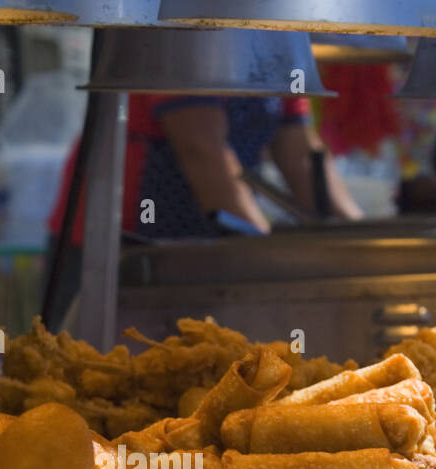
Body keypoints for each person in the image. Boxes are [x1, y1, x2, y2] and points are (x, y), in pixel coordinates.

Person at [43, 93, 362, 329]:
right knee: (91, 373)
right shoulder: (190, 21)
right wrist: (271, 260)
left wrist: (361, 245)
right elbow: (201, 148)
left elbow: (303, 158)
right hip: (118, 241)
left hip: (213, 236)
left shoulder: (278, 35)